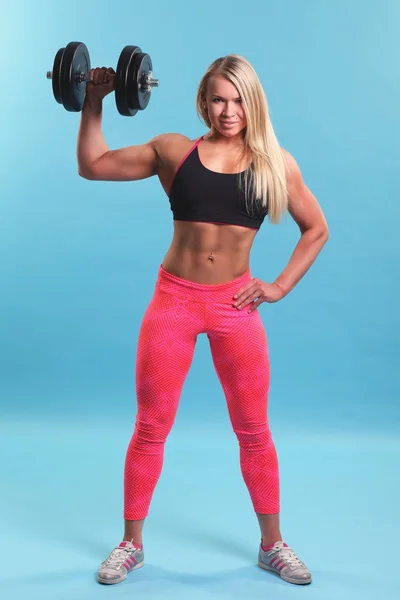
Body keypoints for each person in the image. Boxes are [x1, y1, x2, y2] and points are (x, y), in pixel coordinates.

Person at [77, 54, 329, 586]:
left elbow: (317, 230)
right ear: (204, 101)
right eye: (219, 98)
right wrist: (93, 104)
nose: (228, 110)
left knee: (254, 430)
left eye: (238, 99)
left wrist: (278, 286)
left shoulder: (275, 164)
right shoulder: (173, 151)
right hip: (174, 301)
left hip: (236, 306)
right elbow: (92, 164)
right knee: (150, 427)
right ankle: (130, 545)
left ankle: (272, 545)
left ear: (252, 102)